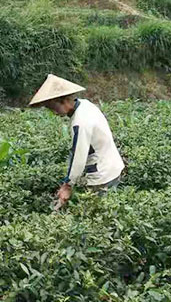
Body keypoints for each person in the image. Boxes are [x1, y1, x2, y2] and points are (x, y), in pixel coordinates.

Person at [29, 74, 125, 209]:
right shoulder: (86, 105)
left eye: (53, 108)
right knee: (109, 210)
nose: (54, 113)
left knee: (95, 215)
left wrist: (68, 185)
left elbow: (79, 157)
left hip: (102, 175)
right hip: (113, 167)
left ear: (63, 101)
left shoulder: (80, 122)